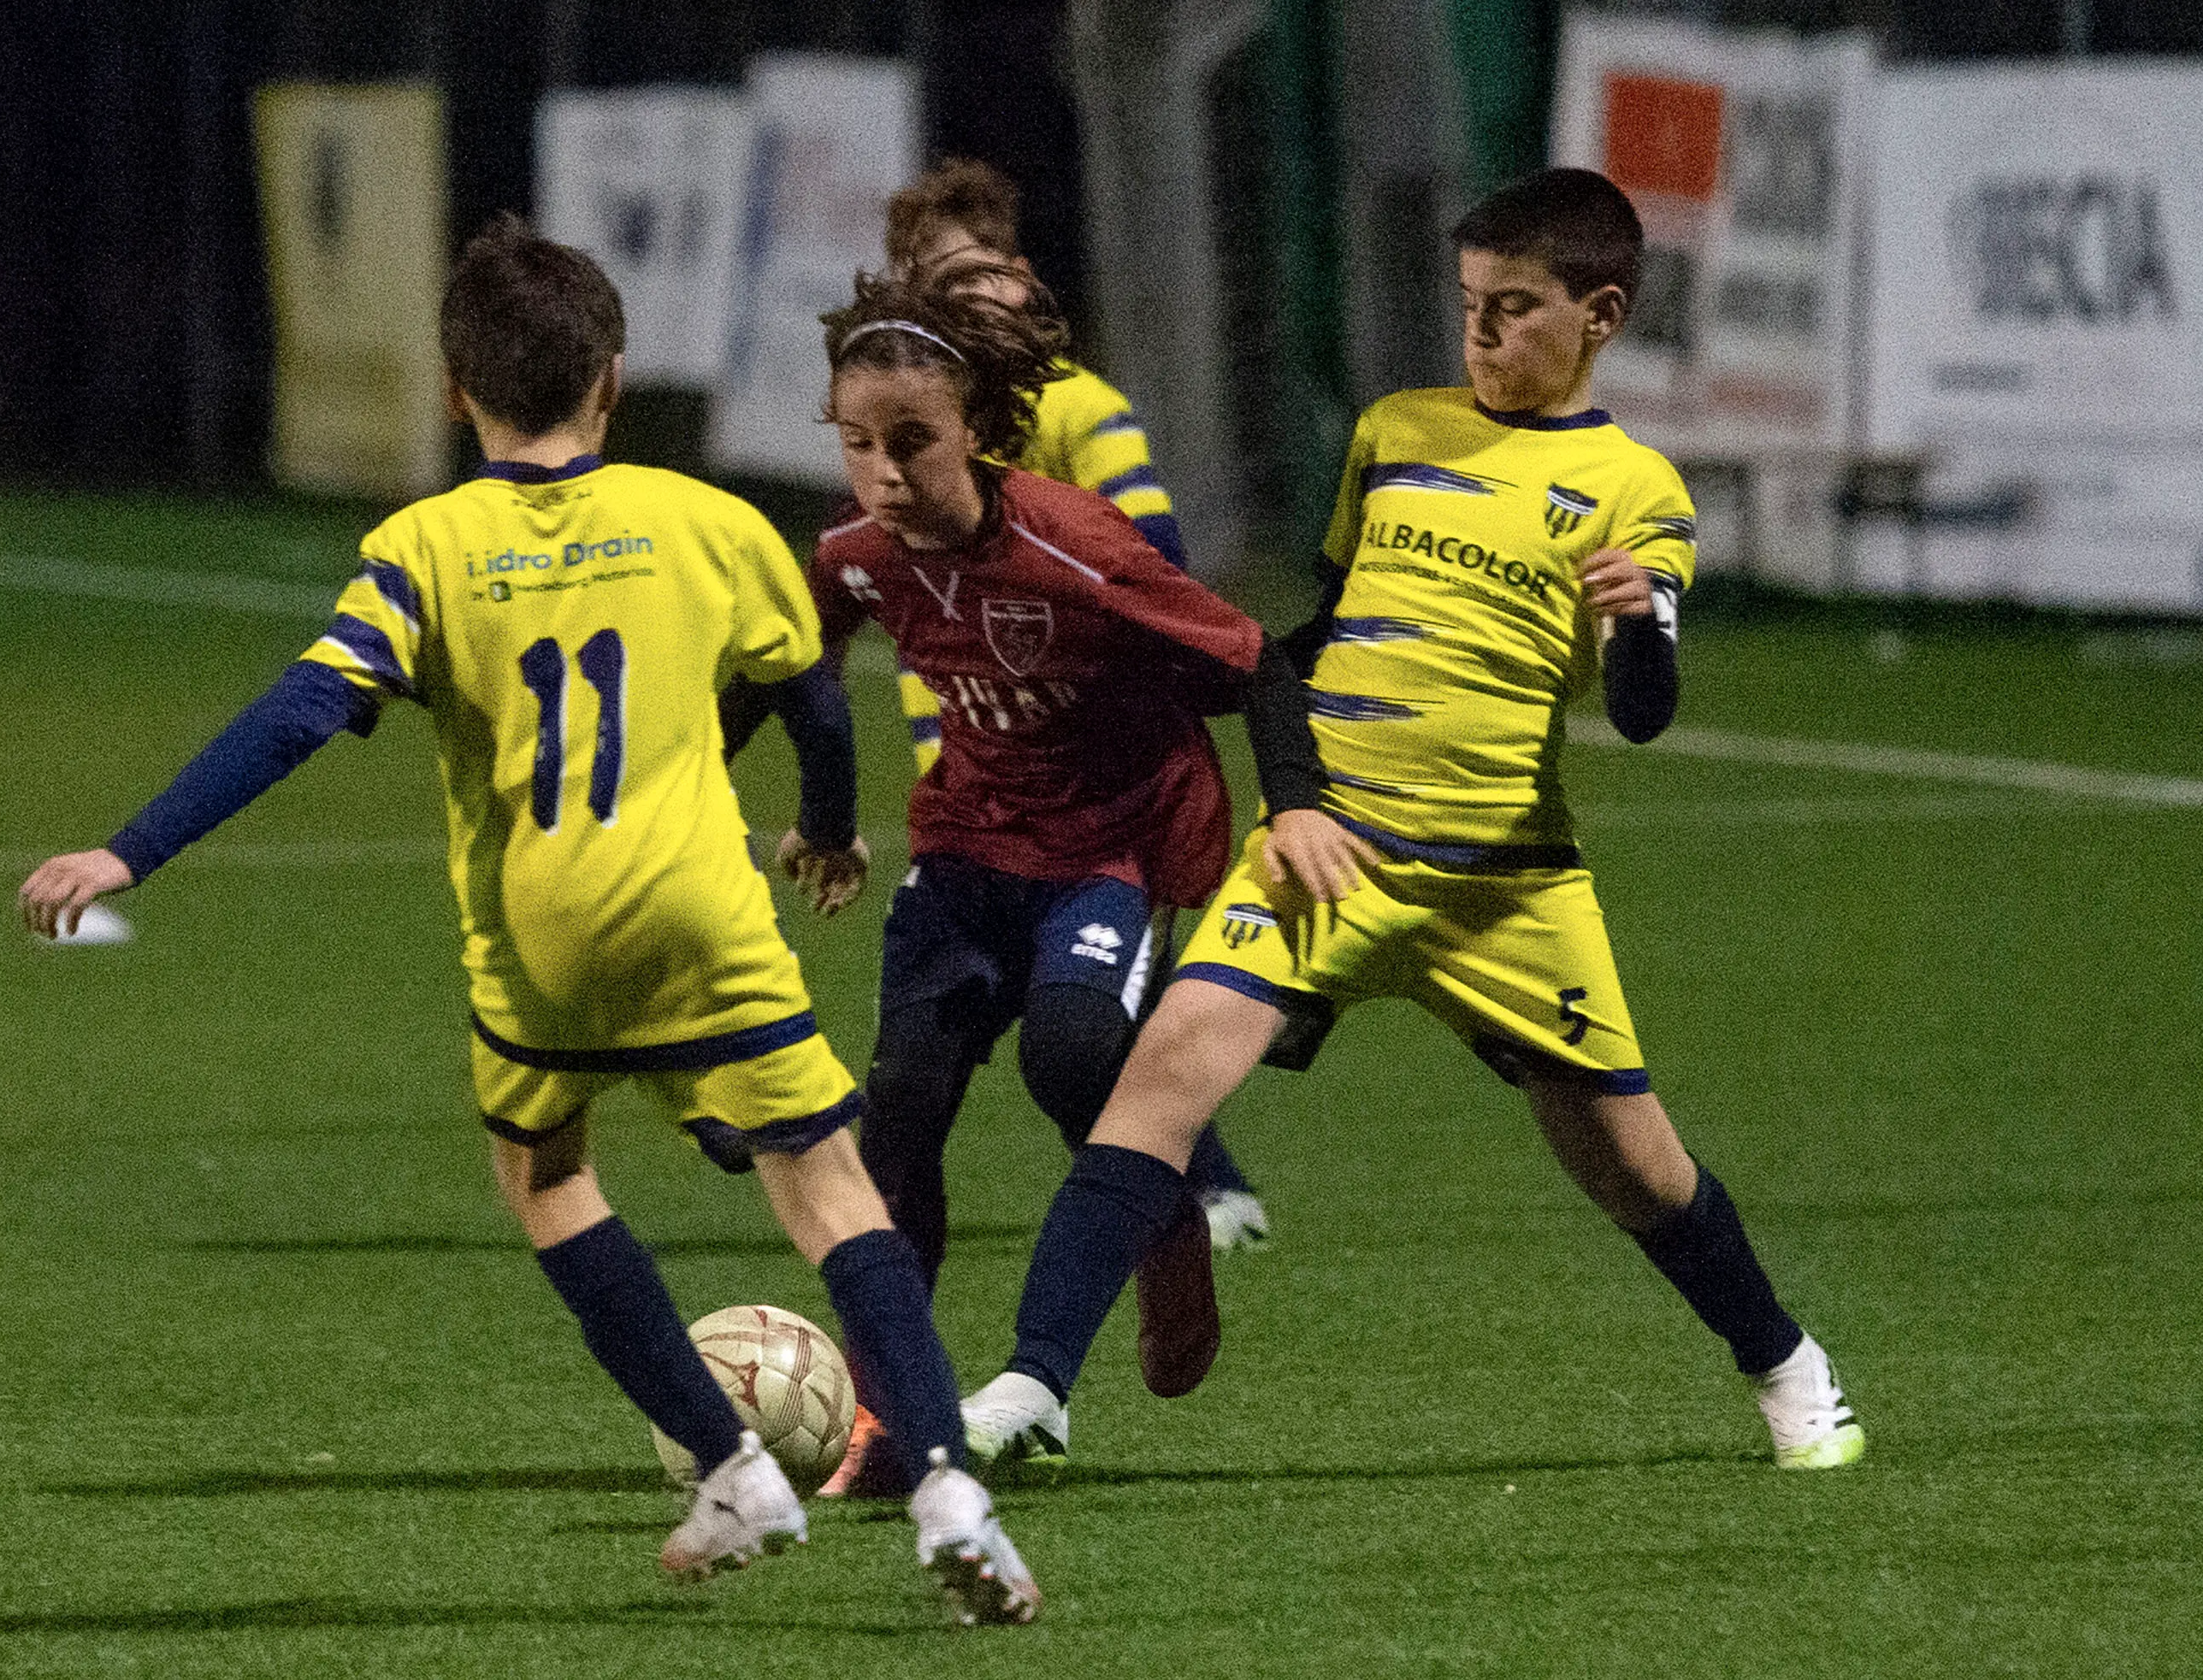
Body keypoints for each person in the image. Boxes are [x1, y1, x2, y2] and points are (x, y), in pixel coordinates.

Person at [15, 216, 1040, 1625]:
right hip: (700, 907)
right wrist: (817, 825)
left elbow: (303, 712)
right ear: (611, 380)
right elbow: (809, 696)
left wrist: (132, 853)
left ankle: (733, 1467)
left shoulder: (425, 546)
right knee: (828, 1190)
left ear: (455, 394)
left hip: (540, 936)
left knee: (547, 1175)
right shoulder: (710, 522)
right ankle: (944, 1487)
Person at [954, 168, 1868, 1477]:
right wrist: (1290, 790)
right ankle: (1035, 1383)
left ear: (1599, 314)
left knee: (1634, 1170)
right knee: (1160, 1082)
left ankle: (1785, 1362)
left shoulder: (1634, 489)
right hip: (1329, 850)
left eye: (1513, 309)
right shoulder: (1395, 431)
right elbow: (1310, 639)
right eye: (1467, 307)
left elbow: (1648, 709)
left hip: (1504, 882)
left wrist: (1635, 620)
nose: (1480, 336)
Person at [731, 267, 1329, 1495]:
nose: (884, 473)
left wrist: (1304, 807)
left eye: (913, 443)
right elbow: (785, 672)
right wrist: (802, 818)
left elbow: (1258, 662)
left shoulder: (1075, 542)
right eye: (857, 445)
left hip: (1105, 855)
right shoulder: (854, 556)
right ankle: (889, 1418)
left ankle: (1163, 1222)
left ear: (979, 430)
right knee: (898, 1107)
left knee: (1071, 1059)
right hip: (962, 851)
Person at [884, 158, 1271, 1251]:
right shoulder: (911, 431)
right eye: (929, 282)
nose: (957, 298)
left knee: (1079, 1018)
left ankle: (1176, 1202)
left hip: (1105, 782)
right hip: (977, 784)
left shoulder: (1077, 406)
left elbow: (1164, 565)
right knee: (950, 1042)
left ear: (1017, 276)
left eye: (976, 272)